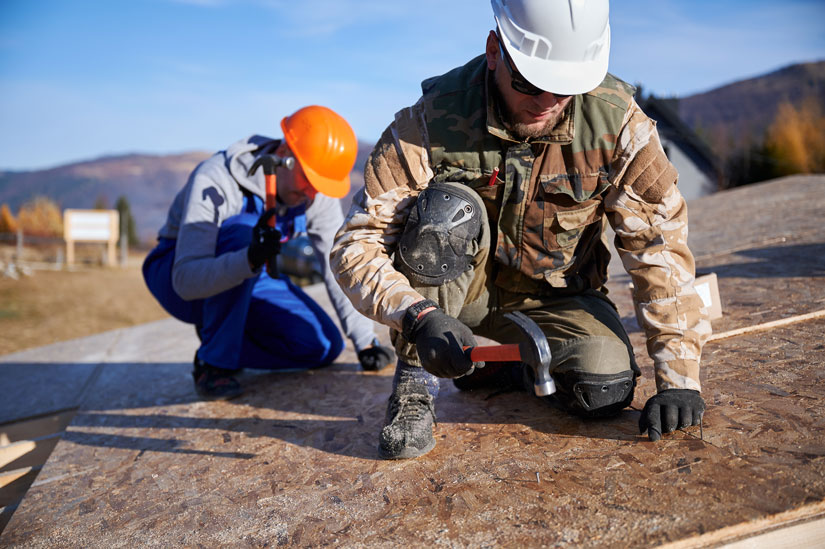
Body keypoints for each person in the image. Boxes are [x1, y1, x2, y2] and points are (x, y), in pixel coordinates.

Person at [330, 0, 711, 459]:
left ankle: (503, 364)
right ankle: (416, 385)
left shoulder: (618, 125)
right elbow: (358, 242)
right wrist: (416, 316)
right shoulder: (431, 119)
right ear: (495, 50)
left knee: (605, 387)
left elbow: (659, 245)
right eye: (530, 82)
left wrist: (679, 379)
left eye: (565, 90)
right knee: (449, 207)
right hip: (454, 302)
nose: (546, 103)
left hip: (558, 297)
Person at [143, 105, 393, 400]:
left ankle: (223, 336)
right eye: (307, 181)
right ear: (285, 154)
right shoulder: (216, 180)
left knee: (322, 346)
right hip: (179, 274)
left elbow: (336, 263)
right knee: (242, 232)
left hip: (249, 272)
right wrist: (248, 257)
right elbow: (185, 281)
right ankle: (213, 364)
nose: (311, 194)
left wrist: (365, 341)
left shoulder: (313, 193)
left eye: (318, 185)